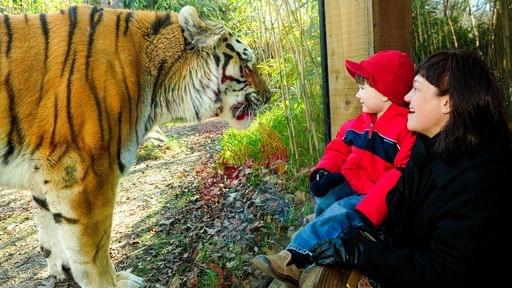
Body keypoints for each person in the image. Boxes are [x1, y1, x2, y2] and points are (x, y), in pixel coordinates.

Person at [311, 49, 512, 287]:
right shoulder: (428, 148)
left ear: (447, 103)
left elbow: (448, 273)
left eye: (416, 89)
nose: (407, 98)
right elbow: (398, 218)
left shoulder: (481, 182)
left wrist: (366, 256)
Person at [251, 50, 417, 287]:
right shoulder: (357, 123)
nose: (357, 94)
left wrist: (369, 209)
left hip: (372, 200)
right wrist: (324, 171)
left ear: (385, 92)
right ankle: (319, 234)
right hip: (349, 186)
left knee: (342, 209)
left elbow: (398, 175)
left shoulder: (405, 128)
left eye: (363, 88)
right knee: (329, 195)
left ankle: (295, 258)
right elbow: (337, 149)